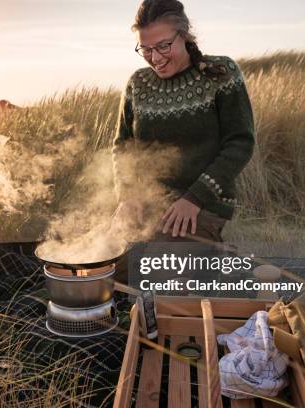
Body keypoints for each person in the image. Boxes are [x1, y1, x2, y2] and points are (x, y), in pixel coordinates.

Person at [112, 0, 255, 284]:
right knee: (105, 269)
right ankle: (201, 261)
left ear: (184, 34)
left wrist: (194, 198)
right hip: (149, 204)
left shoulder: (220, 73)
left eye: (164, 46)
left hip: (201, 206)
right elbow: (123, 145)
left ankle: (214, 261)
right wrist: (127, 195)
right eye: (146, 49)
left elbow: (240, 142)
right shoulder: (137, 84)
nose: (155, 58)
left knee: (157, 280)